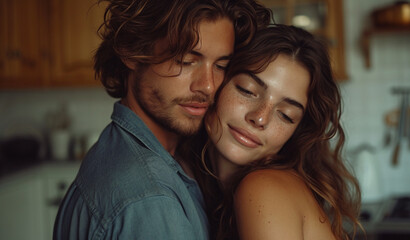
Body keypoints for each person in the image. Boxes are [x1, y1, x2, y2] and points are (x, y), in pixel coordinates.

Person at [53, 0, 271, 239]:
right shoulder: (151, 201)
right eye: (186, 61)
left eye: (221, 65)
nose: (208, 85)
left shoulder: (118, 150)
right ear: (131, 51)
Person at [179, 24, 362, 240]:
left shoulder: (263, 188)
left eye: (285, 115)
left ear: (296, 132)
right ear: (217, 84)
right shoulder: (191, 181)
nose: (260, 118)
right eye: (247, 91)